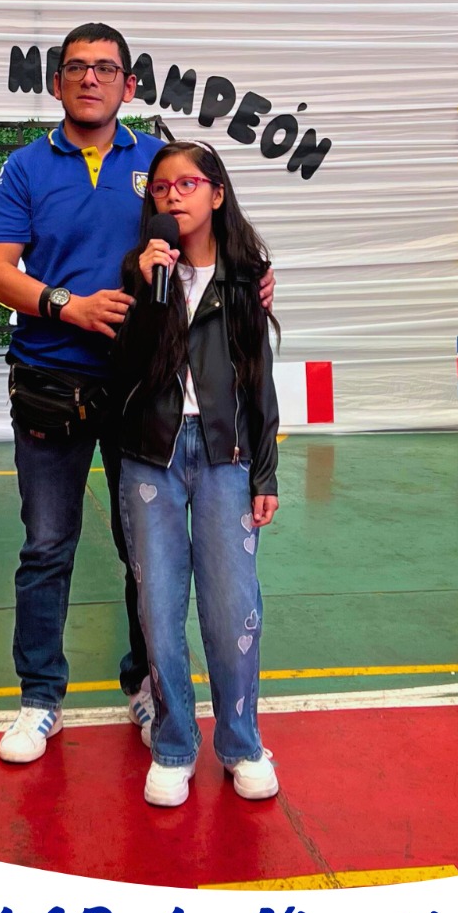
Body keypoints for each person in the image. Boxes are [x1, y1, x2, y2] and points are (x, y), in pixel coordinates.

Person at [0, 24, 275, 764]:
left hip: (148, 390)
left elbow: (215, 238)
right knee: (47, 545)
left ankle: (148, 687)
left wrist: (252, 277)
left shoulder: (158, 162)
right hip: (52, 380)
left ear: (129, 85)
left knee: (144, 554)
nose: (90, 79)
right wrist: (67, 306)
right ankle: (40, 698)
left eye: (105, 68)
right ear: (57, 83)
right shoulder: (24, 167)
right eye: (76, 67)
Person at [112, 140, 281, 807]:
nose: (173, 196)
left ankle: (242, 743)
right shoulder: (139, 270)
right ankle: (174, 744)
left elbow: (258, 381)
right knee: (158, 608)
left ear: (216, 193)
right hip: (150, 455)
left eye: (187, 184)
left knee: (233, 605)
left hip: (224, 455)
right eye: (161, 188)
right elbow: (125, 369)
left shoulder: (245, 276)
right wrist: (149, 289)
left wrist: (265, 472)